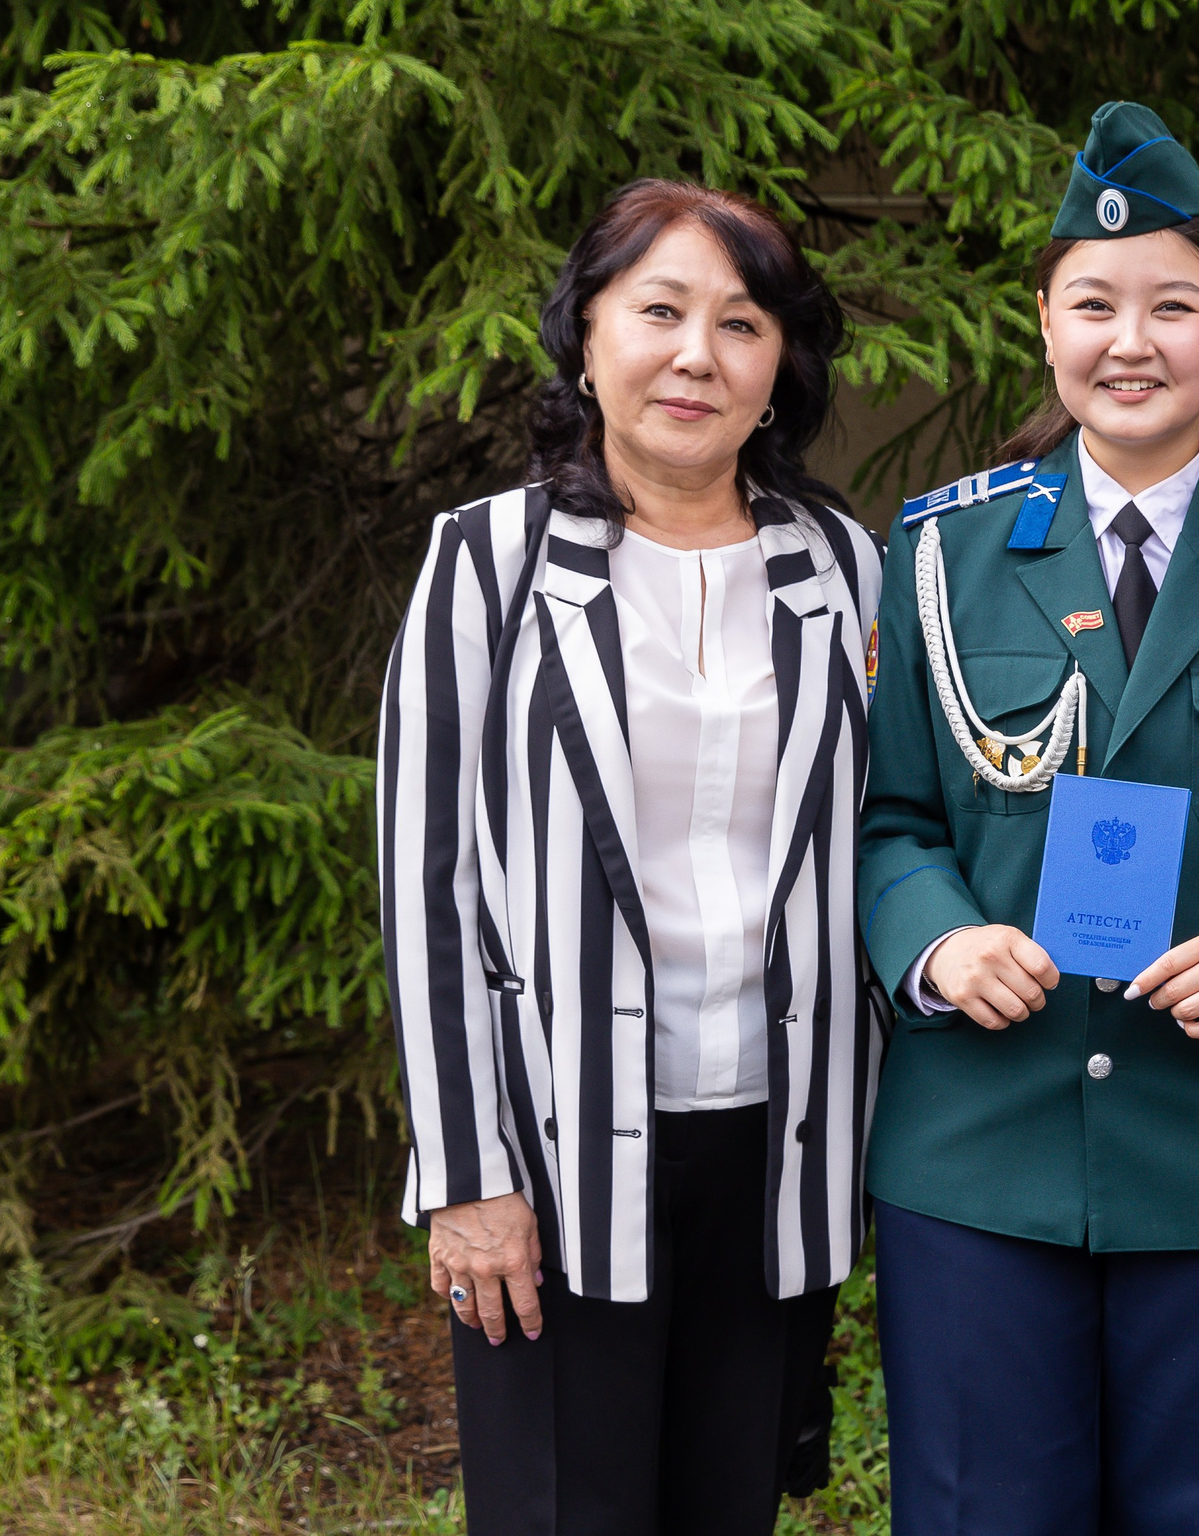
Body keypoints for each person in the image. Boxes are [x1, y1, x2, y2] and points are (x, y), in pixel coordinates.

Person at [856, 101, 1199, 1536]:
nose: (1131, 341)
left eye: (1174, 304)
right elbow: (888, 814)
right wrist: (937, 945)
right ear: (1045, 325)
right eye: (1094, 304)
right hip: (981, 1144)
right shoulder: (943, 550)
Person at [376, 179, 885, 1536]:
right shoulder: (487, 564)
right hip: (554, 1149)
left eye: (741, 323)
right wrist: (468, 1174)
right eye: (658, 310)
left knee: (728, 1508)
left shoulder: (841, 567)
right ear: (587, 334)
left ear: (778, 368)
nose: (697, 355)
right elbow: (425, 884)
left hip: (775, 1145)